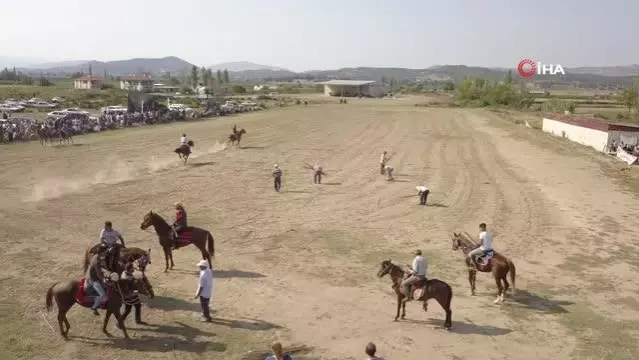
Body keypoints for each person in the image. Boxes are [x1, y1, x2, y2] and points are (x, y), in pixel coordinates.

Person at [85, 249, 111, 315]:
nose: (105, 255)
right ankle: (94, 307)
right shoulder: (97, 262)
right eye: (104, 253)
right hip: (94, 280)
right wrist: (105, 279)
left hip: (95, 277)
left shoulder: (96, 256)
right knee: (102, 295)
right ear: (101, 253)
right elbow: (99, 275)